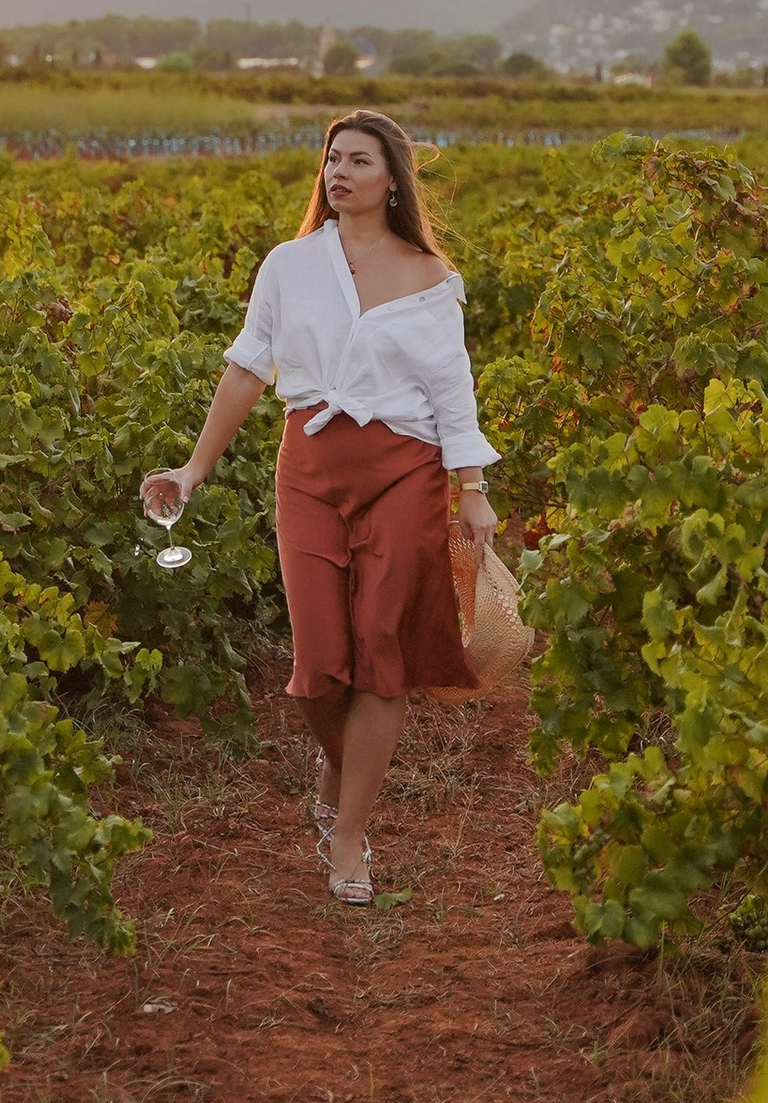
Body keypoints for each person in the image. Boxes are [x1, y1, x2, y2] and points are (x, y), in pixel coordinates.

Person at [140, 109, 500, 904]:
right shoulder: (290, 265)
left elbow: (451, 389)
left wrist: (470, 489)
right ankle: (340, 764)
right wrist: (194, 470)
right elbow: (246, 369)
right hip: (309, 469)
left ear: (391, 179)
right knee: (318, 663)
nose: (339, 172)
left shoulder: (430, 277)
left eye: (359, 161)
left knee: (382, 650)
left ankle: (347, 836)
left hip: (405, 471)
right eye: (332, 159)